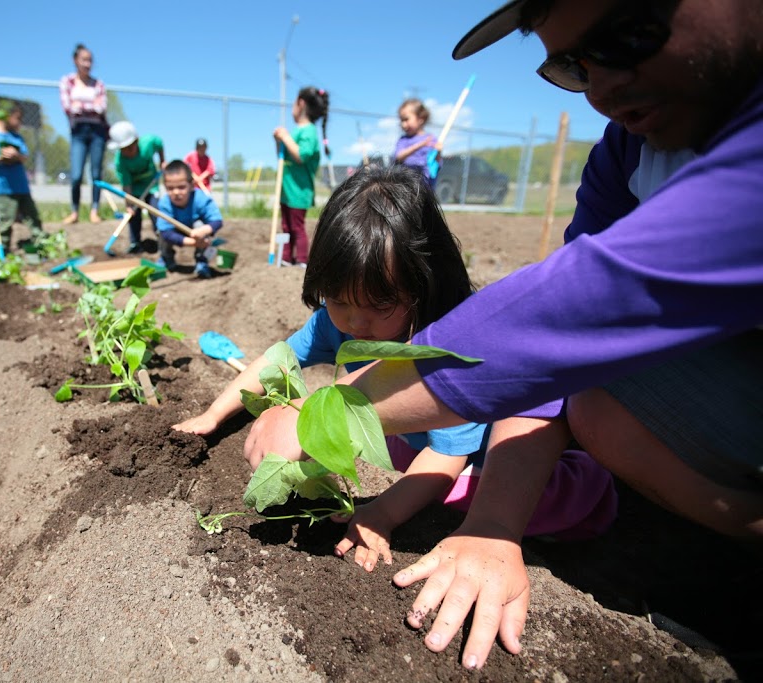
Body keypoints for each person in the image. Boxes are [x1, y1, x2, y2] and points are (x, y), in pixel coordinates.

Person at [244, 0, 763, 670]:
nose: (601, 86)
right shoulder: (631, 153)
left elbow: (575, 310)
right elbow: (562, 353)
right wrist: (495, 523)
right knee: (597, 400)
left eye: (628, 33)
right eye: (571, 65)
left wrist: (326, 414)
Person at [177, 164, 617, 568]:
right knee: (379, 439)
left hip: (502, 458)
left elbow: (447, 457)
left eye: (378, 304)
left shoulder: (441, 345)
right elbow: (278, 360)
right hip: (432, 444)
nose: (355, 321)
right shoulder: (340, 323)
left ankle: (590, 497)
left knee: (463, 491)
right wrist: (213, 414)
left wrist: (381, 512)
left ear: (421, 285)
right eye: (340, 300)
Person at [273, 85, 327, 267]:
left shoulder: (309, 131)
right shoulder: (296, 131)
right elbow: (283, 156)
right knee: (286, 226)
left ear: (301, 103)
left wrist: (286, 137)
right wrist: (278, 141)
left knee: (297, 226)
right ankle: (286, 258)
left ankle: (302, 260)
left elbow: (301, 155)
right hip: (287, 189)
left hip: (299, 190)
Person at [0, 101, 44, 250]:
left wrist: (16, 155)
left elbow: (24, 156)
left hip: (21, 185)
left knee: (32, 216)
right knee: (5, 219)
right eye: (17, 118)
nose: (20, 122)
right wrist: (0, 157)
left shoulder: (16, 137)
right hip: (2, 186)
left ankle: (40, 242)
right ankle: (3, 247)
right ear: (6, 116)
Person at [59, 43, 108, 224]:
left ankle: (95, 210)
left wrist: (80, 106)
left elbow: (101, 107)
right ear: (75, 61)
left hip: (97, 131)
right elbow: (68, 107)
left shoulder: (98, 84)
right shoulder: (67, 81)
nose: (87, 64)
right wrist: (89, 106)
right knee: (77, 174)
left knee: (96, 174)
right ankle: (75, 211)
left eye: (90, 60)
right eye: (84, 60)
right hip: (78, 131)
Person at [153, 160, 223, 279]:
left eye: (181, 187)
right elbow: (166, 232)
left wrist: (204, 231)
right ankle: (167, 258)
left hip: (195, 231)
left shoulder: (200, 198)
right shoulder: (165, 203)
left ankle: (201, 260)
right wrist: (191, 242)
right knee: (161, 233)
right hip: (174, 232)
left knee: (201, 226)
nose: (176, 192)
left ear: (191, 185)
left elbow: (217, 221)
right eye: (170, 188)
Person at [109, 120, 166, 255]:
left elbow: (159, 144)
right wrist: (128, 205)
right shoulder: (120, 161)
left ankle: (162, 240)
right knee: (134, 215)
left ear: (136, 140)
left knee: (155, 210)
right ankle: (135, 242)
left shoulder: (148, 143)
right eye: (123, 149)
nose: (128, 152)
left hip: (151, 184)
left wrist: (163, 160)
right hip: (134, 189)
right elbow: (126, 185)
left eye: (130, 147)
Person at [393, 98, 439, 187]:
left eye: (406, 119)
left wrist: (439, 152)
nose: (403, 124)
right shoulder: (404, 140)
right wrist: (420, 145)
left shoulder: (431, 139)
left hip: (426, 185)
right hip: (406, 184)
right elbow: (399, 157)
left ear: (421, 118)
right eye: (401, 120)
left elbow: (436, 163)